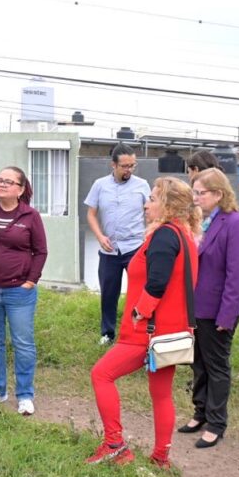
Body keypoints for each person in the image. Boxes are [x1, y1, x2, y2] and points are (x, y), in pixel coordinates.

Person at [87, 177, 200, 469]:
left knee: (101, 375)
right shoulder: (184, 235)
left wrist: (141, 312)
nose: (146, 205)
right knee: (161, 395)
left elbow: (157, 282)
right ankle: (161, 457)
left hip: (147, 332)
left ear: (168, 205)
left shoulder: (164, 235)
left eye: (152, 198)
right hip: (170, 332)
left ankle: (115, 445)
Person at [178, 168, 239, 449]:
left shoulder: (237, 223)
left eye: (201, 193)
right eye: (194, 192)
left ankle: (217, 423)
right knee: (198, 364)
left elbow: (237, 275)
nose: (196, 197)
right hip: (196, 307)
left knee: (216, 366)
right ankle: (200, 412)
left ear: (219, 194)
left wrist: (227, 314)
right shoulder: (203, 222)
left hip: (218, 309)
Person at [0, 166, 48, 415]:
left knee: (23, 344)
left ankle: (24, 394)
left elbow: (40, 251)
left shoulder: (30, 216)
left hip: (19, 292)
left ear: (20, 189)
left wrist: (31, 281)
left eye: (8, 181)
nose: (2, 184)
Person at [84, 143, 150, 346]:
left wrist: (149, 236)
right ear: (113, 165)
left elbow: (151, 213)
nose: (129, 170)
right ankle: (108, 334)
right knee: (108, 293)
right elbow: (91, 214)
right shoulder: (100, 185)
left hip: (135, 248)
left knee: (139, 293)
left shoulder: (142, 185)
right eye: (125, 166)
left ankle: (138, 334)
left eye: (132, 165)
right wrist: (99, 236)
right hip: (109, 249)